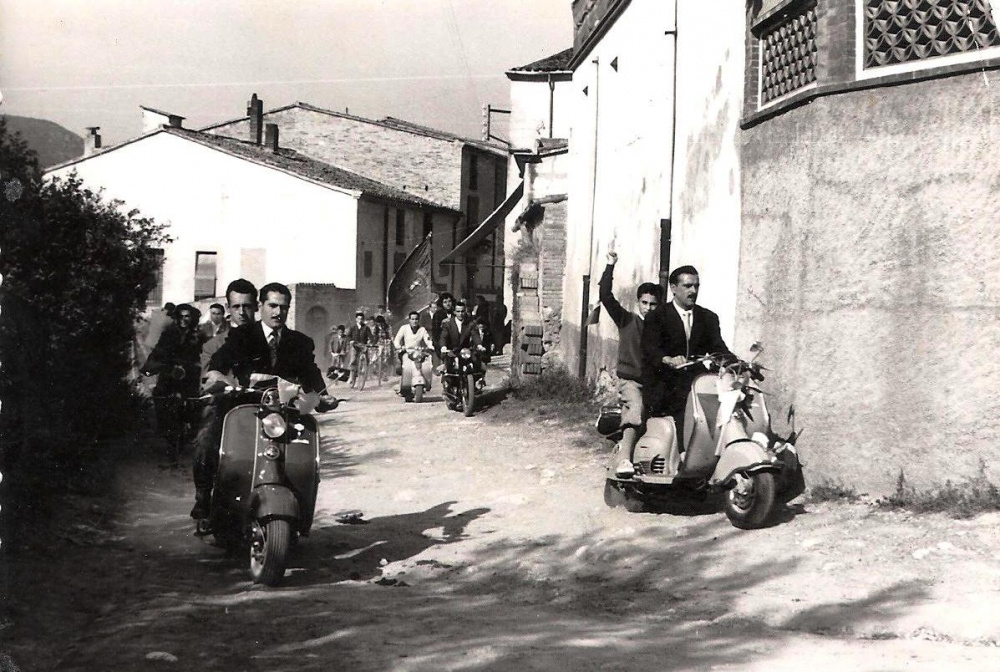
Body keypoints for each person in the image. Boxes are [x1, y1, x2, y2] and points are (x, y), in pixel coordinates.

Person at [194, 282, 325, 519]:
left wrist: (323, 394)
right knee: (208, 441)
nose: (277, 312)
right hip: (239, 407)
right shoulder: (240, 336)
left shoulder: (300, 341)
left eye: (283, 307)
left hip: (281, 410)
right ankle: (205, 499)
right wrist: (220, 380)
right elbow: (216, 367)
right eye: (272, 306)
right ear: (262, 306)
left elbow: (311, 372)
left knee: (302, 454)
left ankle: (297, 505)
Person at [641, 265, 731, 444]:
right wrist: (668, 359)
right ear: (673, 288)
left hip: (694, 383)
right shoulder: (657, 316)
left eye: (696, 286)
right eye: (688, 286)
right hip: (665, 383)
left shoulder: (708, 317)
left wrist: (735, 363)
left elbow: (718, 348)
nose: (693, 291)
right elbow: (650, 348)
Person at [599, 251, 663, 478]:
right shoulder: (627, 321)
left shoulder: (663, 329)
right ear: (638, 303)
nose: (648, 308)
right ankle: (624, 459)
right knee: (635, 409)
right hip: (630, 381)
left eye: (653, 304)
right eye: (644, 303)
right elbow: (606, 296)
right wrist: (610, 266)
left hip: (654, 383)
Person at [141, 303, 203, 462]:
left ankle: (184, 438)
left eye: (187, 316)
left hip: (189, 377)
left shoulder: (197, 335)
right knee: (164, 406)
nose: (184, 320)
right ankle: (170, 443)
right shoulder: (169, 334)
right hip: (170, 375)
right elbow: (160, 353)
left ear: (192, 318)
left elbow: (200, 357)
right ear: (176, 318)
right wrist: (169, 366)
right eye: (181, 316)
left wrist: (190, 367)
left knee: (192, 407)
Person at [439, 300, 485, 408]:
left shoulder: (470, 323)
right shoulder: (448, 324)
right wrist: (443, 347)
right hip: (452, 351)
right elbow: (443, 337)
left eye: (462, 311)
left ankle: (478, 384)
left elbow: (475, 335)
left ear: (465, 312)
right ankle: (449, 389)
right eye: (458, 311)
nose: (460, 314)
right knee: (449, 369)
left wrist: (479, 345)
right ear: (454, 312)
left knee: (478, 364)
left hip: (465, 351)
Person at [393, 311, 434, 399]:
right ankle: (402, 384)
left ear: (419, 320)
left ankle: (426, 382)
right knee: (402, 367)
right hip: (406, 352)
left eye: (416, 319)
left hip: (418, 352)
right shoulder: (404, 328)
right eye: (412, 319)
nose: (414, 321)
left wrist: (430, 346)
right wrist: (399, 346)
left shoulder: (422, 330)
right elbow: (397, 340)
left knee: (425, 365)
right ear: (409, 320)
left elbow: (428, 340)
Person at [345, 311, 374, 387]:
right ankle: (351, 377)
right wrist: (350, 340)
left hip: (363, 345)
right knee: (353, 360)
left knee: (367, 358)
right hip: (355, 345)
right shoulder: (353, 328)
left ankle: (364, 371)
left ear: (363, 319)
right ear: (356, 319)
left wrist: (371, 341)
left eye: (361, 319)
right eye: (358, 319)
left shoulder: (366, 327)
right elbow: (348, 336)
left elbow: (370, 336)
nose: (360, 320)